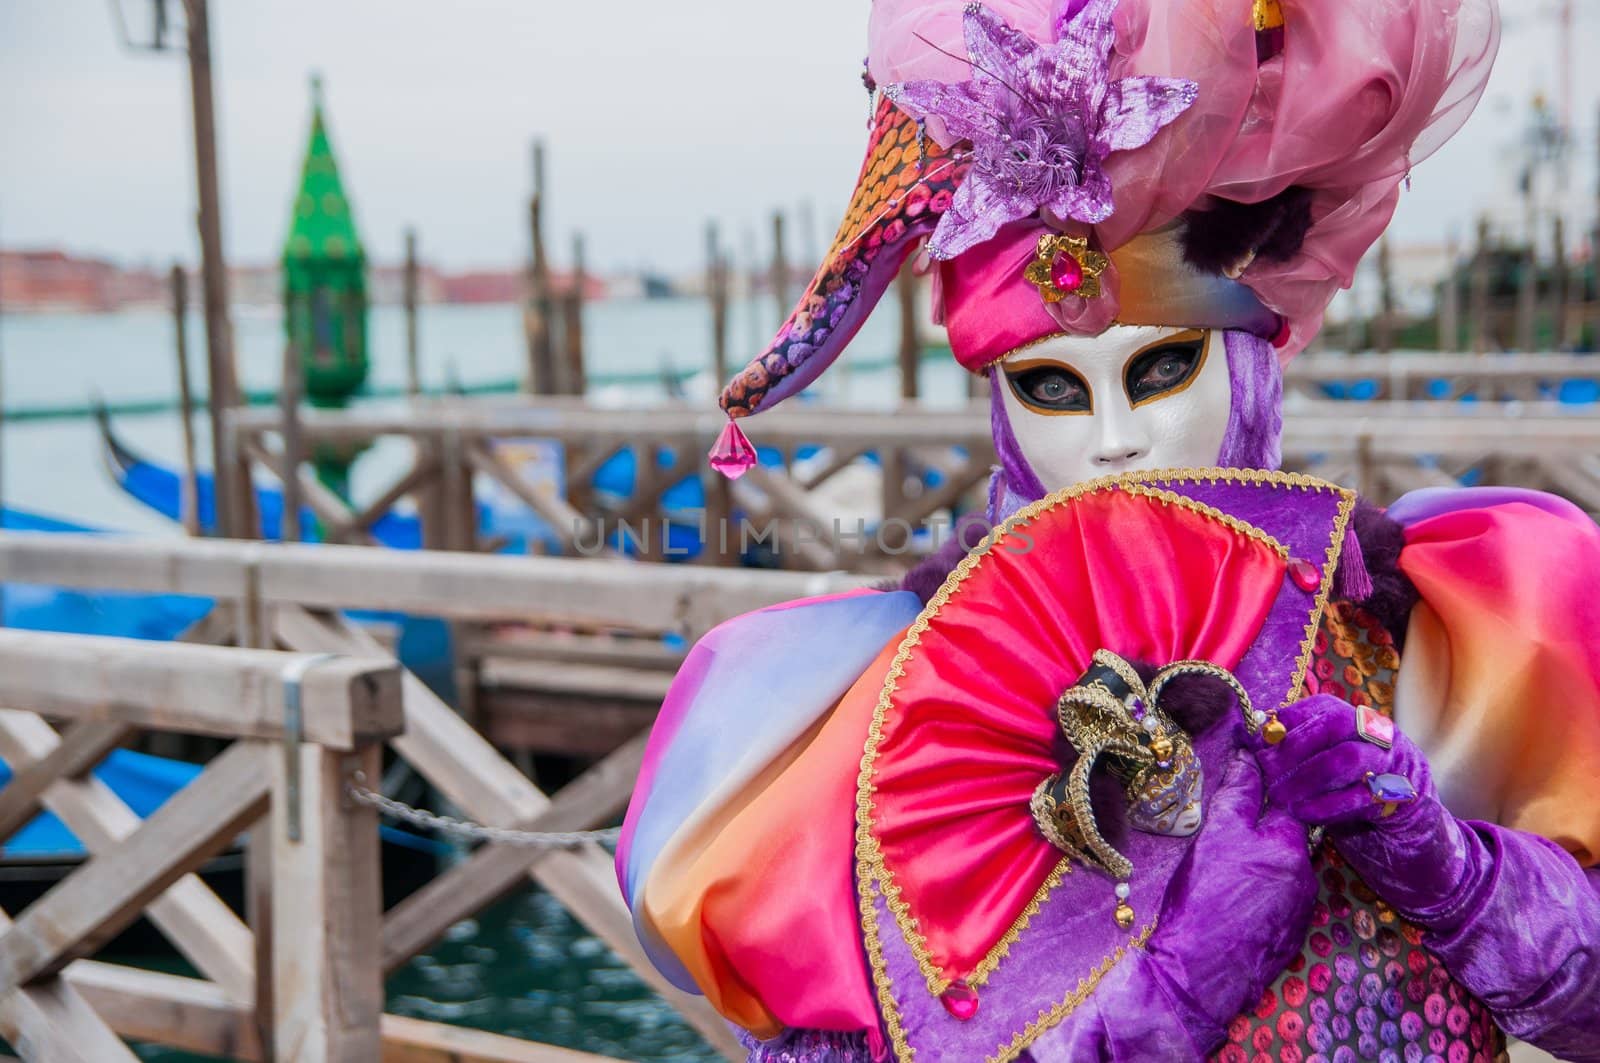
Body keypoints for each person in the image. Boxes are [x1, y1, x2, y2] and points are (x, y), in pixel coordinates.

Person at [618, 1, 1600, 1059]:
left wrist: (1451, 869)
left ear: (1253, 358)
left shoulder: (1433, 631)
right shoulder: (906, 705)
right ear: (1000, 406)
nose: (1115, 441)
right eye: (1050, 387)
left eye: (1163, 367)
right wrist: (1176, 980)